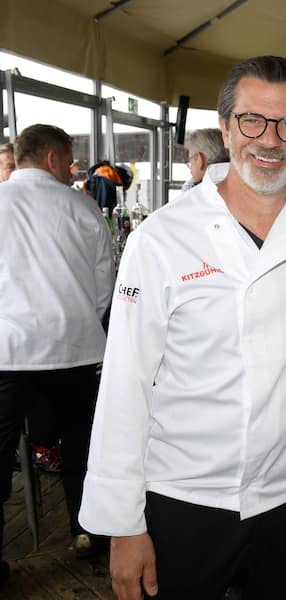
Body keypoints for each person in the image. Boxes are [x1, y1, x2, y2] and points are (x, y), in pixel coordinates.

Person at [79, 56, 286, 600]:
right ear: (225, 127)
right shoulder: (161, 240)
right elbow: (125, 386)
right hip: (182, 500)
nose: (270, 139)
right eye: (252, 120)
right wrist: (123, 525)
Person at [0, 124, 114, 582]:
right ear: (51, 158)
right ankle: (86, 533)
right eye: (68, 160)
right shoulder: (83, 208)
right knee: (81, 449)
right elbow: (104, 286)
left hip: (7, 353)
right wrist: (79, 319)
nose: (71, 169)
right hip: (74, 351)